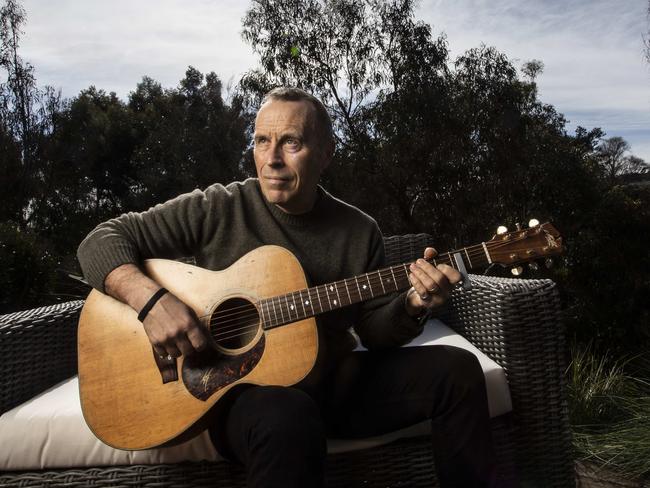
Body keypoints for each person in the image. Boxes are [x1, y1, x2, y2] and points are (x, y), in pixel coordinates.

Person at [77, 87, 496, 487]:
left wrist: (413, 303)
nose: (272, 159)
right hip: (244, 399)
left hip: (333, 385)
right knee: (287, 414)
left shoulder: (359, 230)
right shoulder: (220, 206)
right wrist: (152, 302)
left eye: (290, 143)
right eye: (262, 141)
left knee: (457, 371)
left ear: (326, 154)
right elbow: (100, 241)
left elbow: (374, 331)